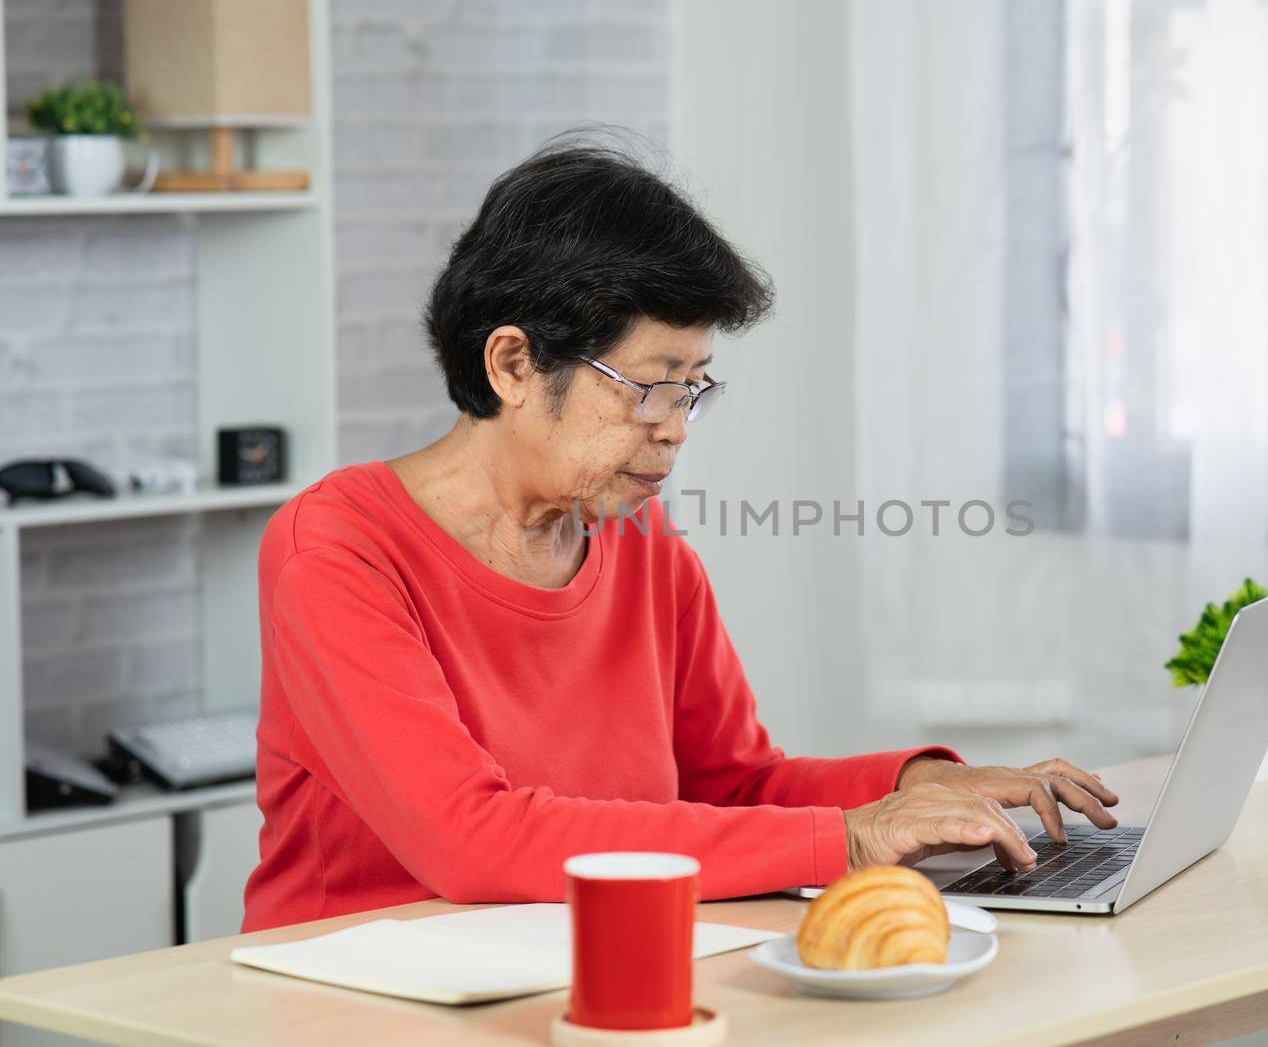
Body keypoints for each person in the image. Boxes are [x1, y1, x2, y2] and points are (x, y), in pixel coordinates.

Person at [241, 138, 1117, 931]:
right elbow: (467, 838)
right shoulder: (336, 549)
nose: (676, 429)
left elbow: (733, 785)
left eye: (693, 386)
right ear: (512, 363)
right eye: (649, 386)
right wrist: (848, 839)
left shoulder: (647, 550)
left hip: (592, 971)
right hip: (362, 995)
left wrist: (915, 784)